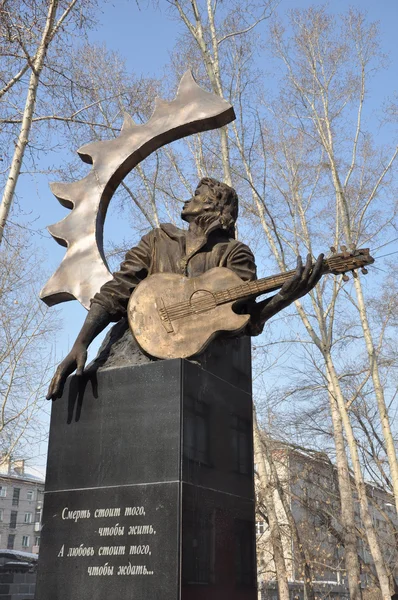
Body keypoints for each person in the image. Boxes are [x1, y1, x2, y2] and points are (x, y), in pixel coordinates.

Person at [47, 177, 323, 400]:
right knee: (102, 374)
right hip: (137, 340)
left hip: (200, 358)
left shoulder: (235, 253)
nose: (187, 199)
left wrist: (285, 297)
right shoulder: (157, 240)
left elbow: (244, 319)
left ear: (214, 207)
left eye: (197, 195)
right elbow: (117, 290)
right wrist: (80, 343)